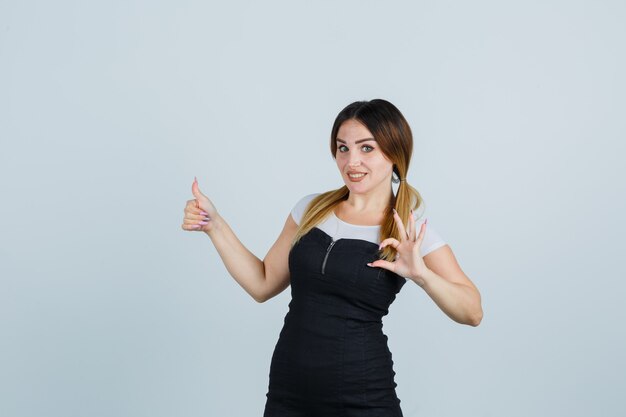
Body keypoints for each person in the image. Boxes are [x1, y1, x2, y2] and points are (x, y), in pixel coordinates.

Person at [181, 99, 483, 416]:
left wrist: (423, 275)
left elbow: (473, 311)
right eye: (343, 148)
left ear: (394, 154)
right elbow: (262, 283)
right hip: (288, 393)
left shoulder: (409, 230)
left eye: (367, 148)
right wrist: (214, 226)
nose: (352, 161)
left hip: (363, 398)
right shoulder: (310, 209)